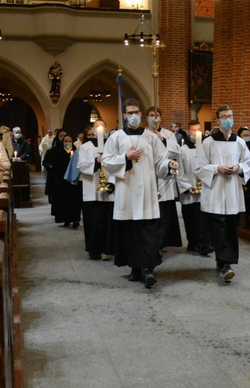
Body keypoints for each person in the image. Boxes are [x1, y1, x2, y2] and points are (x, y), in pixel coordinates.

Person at [102, 98, 178, 288]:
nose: (134, 116)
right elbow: (107, 161)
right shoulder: (116, 137)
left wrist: (168, 164)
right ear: (124, 116)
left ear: (141, 115)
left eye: (137, 113)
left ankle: (148, 269)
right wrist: (125, 158)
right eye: (130, 113)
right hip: (126, 190)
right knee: (130, 232)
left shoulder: (150, 137)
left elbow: (160, 160)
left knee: (148, 230)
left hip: (146, 191)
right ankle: (135, 268)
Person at [196, 105, 250, 282]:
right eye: (224, 116)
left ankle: (225, 261)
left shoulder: (239, 142)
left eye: (230, 115)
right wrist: (217, 168)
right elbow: (199, 166)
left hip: (232, 189)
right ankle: (224, 262)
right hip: (216, 189)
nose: (228, 119)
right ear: (218, 120)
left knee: (230, 226)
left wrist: (238, 167)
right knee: (218, 226)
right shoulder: (209, 142)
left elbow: (248, 163)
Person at [145, 105, 183, 250]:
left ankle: (162, 242)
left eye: (157, 115)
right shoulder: (143, 134)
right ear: (146, 118)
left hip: (165, 177)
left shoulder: (168, 134)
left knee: (164, 212)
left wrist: (163, 141)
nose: (154, 118)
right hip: (149, 174)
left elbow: (176, 153)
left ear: (160, 118)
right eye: (151, 115)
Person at [77, 121, 115, 260]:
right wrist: (95, 161)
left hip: (108, 191)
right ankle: (94, 249)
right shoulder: (85, 147)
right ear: (92, 129)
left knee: (107, 221)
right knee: (93, 221)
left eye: (102, 126)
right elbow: (81, 166)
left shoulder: (111, 145)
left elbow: (116, 164)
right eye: (96, 126)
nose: (99, 129)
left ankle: (107, 249)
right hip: (91, 189)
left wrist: (112, 182)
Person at [177, 120, 213, 255]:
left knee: (203, 218)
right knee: (191, 219)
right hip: (189, 191)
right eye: (193, 130)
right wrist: (187, 186)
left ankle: (204, 244)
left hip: (204, 189)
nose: (196, 133)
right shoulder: (183, 150)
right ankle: (193, 243)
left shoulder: (205, 148)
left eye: (199, 130)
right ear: (188, 131)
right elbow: (180, 171)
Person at [51, 135, 82, 228]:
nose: (68, 143)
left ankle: (76, 219)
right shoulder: (58, 153)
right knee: (65, 201)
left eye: (69, 141)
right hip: (62, 182)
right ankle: (66, 219)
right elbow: (55, 168)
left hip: (73, 182)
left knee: (75, 201)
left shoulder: (76, 153)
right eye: (66, 141)